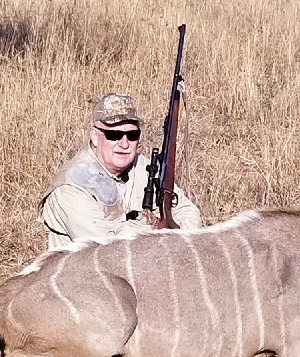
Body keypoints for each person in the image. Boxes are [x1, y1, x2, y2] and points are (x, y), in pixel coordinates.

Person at [39, 93, 202, 249]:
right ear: (95, 136)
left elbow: (188, 211)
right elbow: (109, 249)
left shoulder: (144, 167)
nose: (124, 144)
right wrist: (155, 229)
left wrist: (178, 241)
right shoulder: (71, 187)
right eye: (114, 134)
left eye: (132, 135)